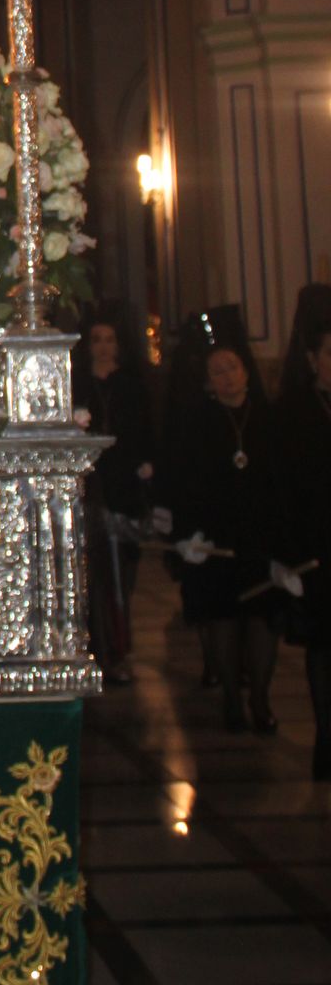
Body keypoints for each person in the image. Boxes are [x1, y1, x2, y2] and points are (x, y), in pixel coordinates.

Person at [163, 310, 278, 733]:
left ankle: (261, 699)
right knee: (225, 618)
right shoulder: (197, 424)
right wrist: (187, 535)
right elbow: (186, 481)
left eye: (232, 368)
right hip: (216, 535)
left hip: (261, 533)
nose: (227, 377)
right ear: (208, 381)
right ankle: (232, 697)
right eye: (218, 371)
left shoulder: (269, 418)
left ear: (246, 371)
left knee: (264, 618)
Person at [72, 304, 158, 683]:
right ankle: (96, 649)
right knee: (93, 576)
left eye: (109, 340)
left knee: (122, 575)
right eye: (97, 340)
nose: (103, 347)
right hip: (90, 486)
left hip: (123, 486)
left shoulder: (132, 384)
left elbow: (145, 429)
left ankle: (120, 650)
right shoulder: (78, 384)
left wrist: (145, 466)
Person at [268, 305, 331, 779]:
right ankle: (326, 737)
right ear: (313, 359)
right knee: (324, 647)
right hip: (317, 547)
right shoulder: (294, 411)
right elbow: (283, 484)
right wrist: (289, 551)